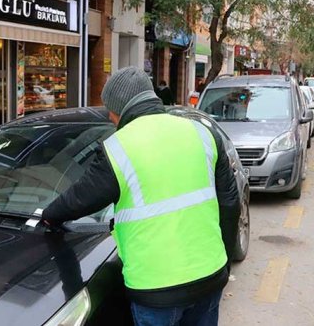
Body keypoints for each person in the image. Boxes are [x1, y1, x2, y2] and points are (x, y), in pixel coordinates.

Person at [42, 67, 240, 326]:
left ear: (117, 110)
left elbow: (80, 198)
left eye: (109, 112)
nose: (111, 119)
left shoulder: (118, 148)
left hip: (156, 290)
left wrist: (49, 215)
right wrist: (223, 264)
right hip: (209, 277)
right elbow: (230, 203)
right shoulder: (202, 133)